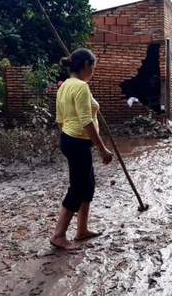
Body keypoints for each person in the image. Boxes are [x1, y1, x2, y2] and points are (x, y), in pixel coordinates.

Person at [50, 48, 113, 250]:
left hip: (71, 140)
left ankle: (82, 230)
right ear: (86, 65)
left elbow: (60, 120)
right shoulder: (80, 87)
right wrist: (102, 148)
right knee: (77, 189)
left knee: (88, 186)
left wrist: (70, 138)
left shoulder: (65, 86)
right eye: (93, 66)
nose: (94, 71)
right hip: (76, 141)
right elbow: (86, 122)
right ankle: (59, 235)